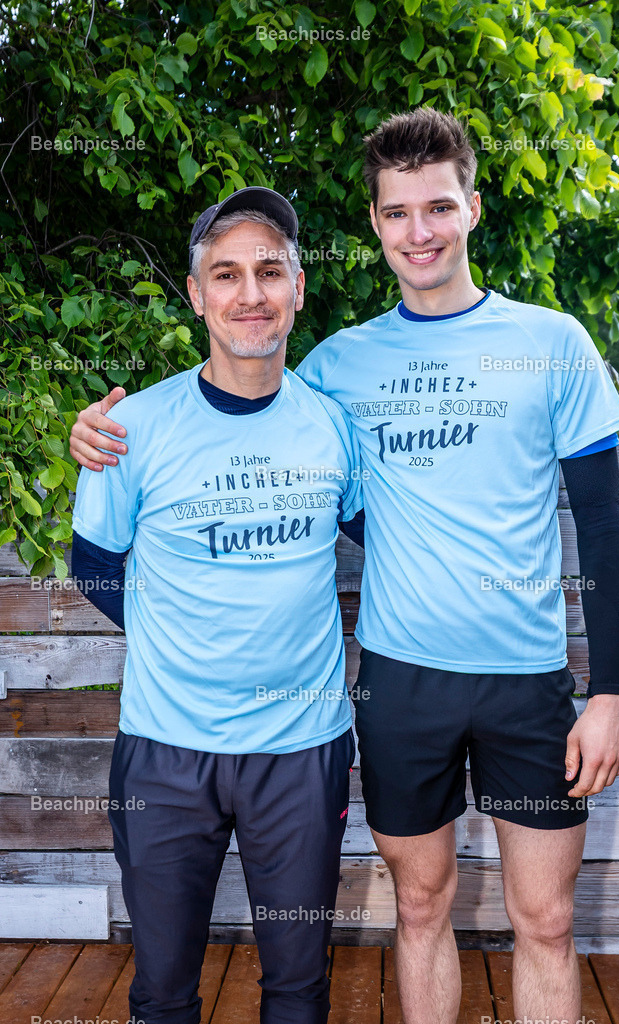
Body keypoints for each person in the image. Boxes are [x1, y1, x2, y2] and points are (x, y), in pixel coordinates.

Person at [69, 108, 619, 1024]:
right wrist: (96, 437)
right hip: (399, 684)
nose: (420, 231)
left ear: (473, 209)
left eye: (438, 207)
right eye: (399, 212)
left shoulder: (551, 344)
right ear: (374, 225)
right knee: (417, 907)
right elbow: (234, 428)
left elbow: (603, 534)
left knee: (546, 918)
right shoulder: (337, 370)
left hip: (525, 682)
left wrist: (608, 691)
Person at [70, 187, 363, 1024]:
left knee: (298, 991)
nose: (250, 294)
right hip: (164, 754)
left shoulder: (333, 427)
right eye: (225, 274)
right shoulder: (133, 428)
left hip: (301, 752)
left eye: (269, 271)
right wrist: (185, 638)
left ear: (298, 288)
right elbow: (94, 566)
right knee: (162, 992)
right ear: (196, 295)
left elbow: (392, 544)